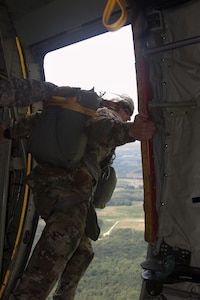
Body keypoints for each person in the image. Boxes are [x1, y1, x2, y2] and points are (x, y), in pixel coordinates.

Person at [1, 84, 156, 300]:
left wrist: (9, 132)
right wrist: (130, 131)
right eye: (126, 113)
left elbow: (36, 120)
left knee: (83, 251)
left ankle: (64, 296)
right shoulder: (105, 113)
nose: (126, 116)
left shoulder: (72, 112)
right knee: (50, 260)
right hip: (69, 192)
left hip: (48, 188)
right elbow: (99, 127)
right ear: (115, 105)